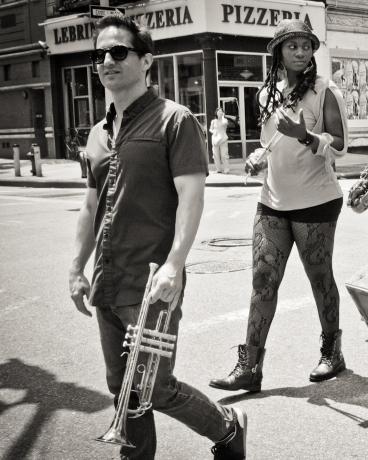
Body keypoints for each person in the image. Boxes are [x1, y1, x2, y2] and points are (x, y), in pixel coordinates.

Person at [67, 15, 246, 459]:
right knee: (123, 389)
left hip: (152, 282)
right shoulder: (96, 133)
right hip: (108, 282)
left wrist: (175, 263)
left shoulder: (174, 119)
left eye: (118, 52)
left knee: (154, 386)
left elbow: (191, 198)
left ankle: (227, 429)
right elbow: (91, 207)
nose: (107, 61)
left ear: (146, 60)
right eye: (100, 54)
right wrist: (75, 267)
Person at [209, 19, 349, 392]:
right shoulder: (265, 94)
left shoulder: (324, 91)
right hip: (271, 201)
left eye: (306, 46)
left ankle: (331, 352)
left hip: (316, 201)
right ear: (278, 52)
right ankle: (249, 367)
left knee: (320, 280)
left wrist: (304, 134)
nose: (301, 52)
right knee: (261, 282)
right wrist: (255, 157)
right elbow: (270, 145)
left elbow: (338, 147)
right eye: (293, 46)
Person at [209, 107, 231, 174]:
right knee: (216, 156)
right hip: (215, 140)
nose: (220, 112)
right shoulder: (213, 121)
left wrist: (223, 117)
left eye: (221, 111)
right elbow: (210, 129)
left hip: (223, 139)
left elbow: (225, 124)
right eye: (219, 111)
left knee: (224, 155)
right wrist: (213, 132)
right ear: (216, 113)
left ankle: (226, 169)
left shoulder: (225, 120)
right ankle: (218, 169)